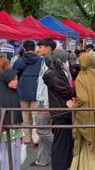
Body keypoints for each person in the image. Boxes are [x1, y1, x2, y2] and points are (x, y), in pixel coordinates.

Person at [43, 53, 76, 169]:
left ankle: (65, 164)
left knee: (65, 141)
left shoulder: (55, 74)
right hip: (60, 111)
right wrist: (82, 87)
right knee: (61, 142)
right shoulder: (54, 75)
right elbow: (67, 91)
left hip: (62, 110)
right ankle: (60, 166)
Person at [0, 69, 24, 170]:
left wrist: (21, 134)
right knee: (4, 161)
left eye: (17, 79)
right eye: (13, 79)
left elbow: (18, 114)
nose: (16, 81)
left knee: (15, 159)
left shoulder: (14, 92)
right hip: (3, 136)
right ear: (6, 80)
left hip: (15, 134)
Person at [32, 39, 56, 167]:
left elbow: (48, 85)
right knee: (43, 131)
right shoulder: (45, 61)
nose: (38, 49)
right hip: (43, 100)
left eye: (40, 46)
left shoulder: (49, 62)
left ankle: (64, 150)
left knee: (42, 130)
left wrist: (46, 105)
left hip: (45, 101)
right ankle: (42, 159)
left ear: (48, 48)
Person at [12, 40, 42, 145]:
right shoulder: (41, 60)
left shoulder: (19, 61)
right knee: (35, 116)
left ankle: (26, 138)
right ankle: (36, 138)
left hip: (22, 90)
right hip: (36, 90)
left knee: (24, 116)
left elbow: (13, 75)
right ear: (35, 48)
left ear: (24, 49)